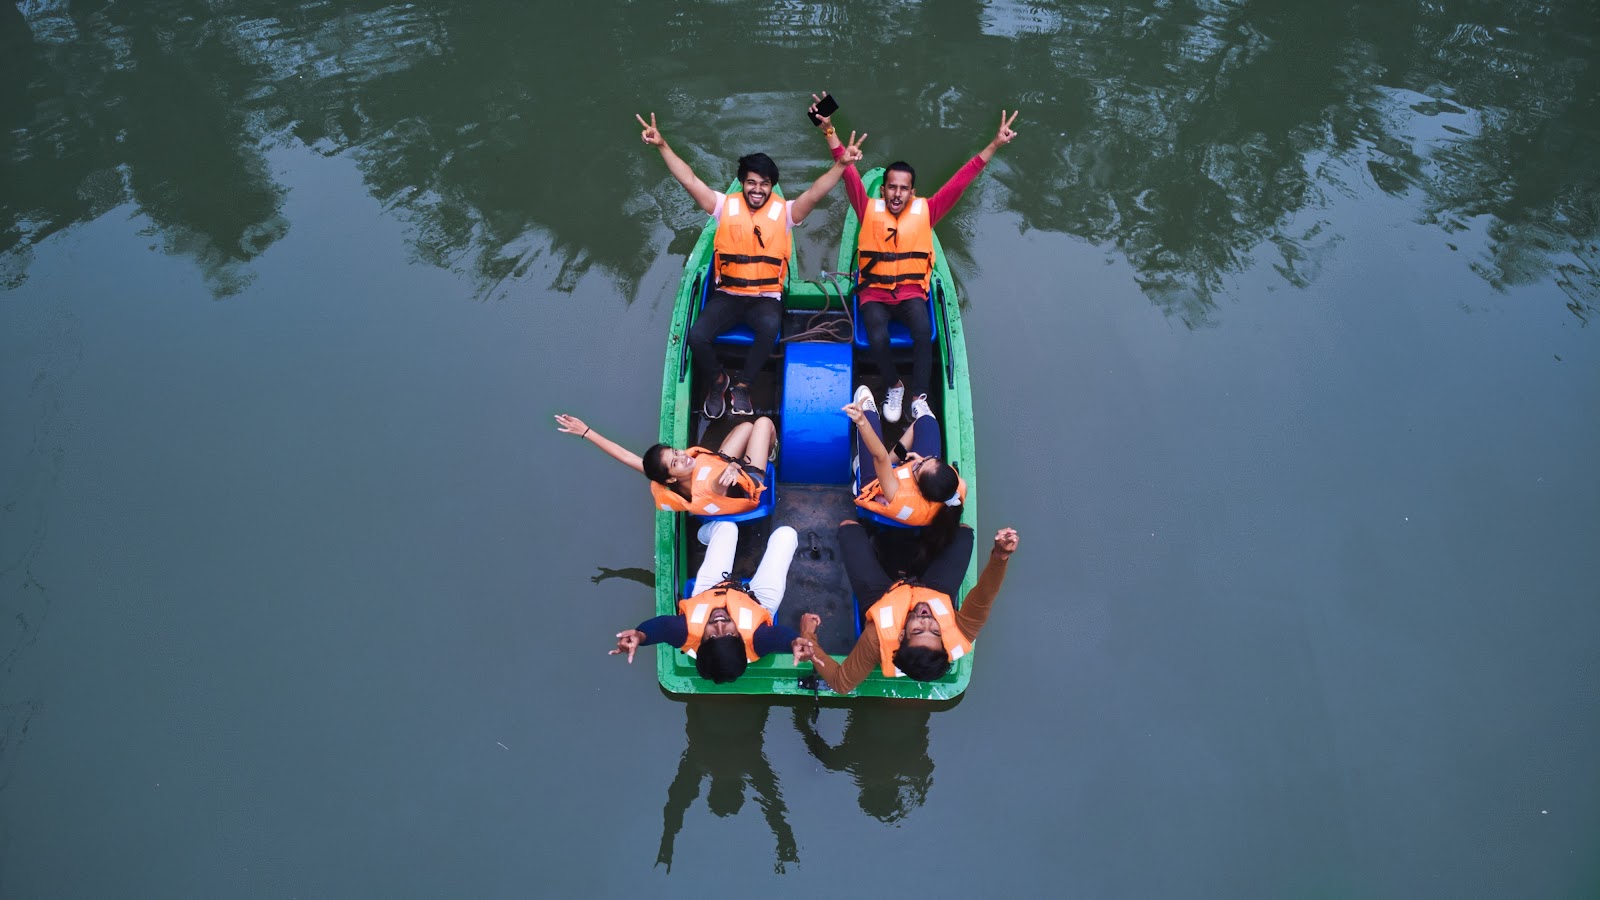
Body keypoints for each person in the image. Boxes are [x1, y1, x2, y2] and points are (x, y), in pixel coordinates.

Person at [635, 111, 866, 417]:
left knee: (770, 328)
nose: (757, 189)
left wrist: (841, 164)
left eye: (765, 184)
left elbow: (815, 192)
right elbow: (689, 179)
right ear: (742, 184)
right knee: (696, 336)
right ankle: (718, 380)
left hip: (765, 299)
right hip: (727, 295)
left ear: (772, 187)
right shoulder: (722, 206)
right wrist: (663, 145)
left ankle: (743, 386)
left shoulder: (785, 214)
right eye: (751, 182)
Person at [811, 97, 1019, 422]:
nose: (896, 194)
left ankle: (919, 397)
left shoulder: (928, 211)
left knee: (923, 332)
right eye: (891, 188)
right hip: (874, 293)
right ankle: (893, 385)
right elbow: (849, 174)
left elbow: (961, 181)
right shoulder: (867, 210)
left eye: (903, 189)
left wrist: (994, 144)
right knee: (877, 336)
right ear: (882, 191)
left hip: (910, 292)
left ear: (912, 192)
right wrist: (829, 131)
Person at [797, 526, 1019, 694]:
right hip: (934, 591)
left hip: (882, 597)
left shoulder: (876, 640)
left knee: (848, 530)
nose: (926, 620)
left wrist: (809, 638)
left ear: (901, 635)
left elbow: (840, 683)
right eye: (935, 631)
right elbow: (984, 597)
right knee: (963, 534)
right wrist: (1000, 557)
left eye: (917, 631)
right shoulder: (961, 633)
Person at [611, 520, 812, 684]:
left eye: (713, 636)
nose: (719, 623)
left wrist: (640, 635)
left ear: (701, 642)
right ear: (741, 639)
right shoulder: (757, 640)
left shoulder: (685, 631)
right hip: (758, 600)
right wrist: (793, 642)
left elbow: (661, 627)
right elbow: (779, 637)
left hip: (711, 589)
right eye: (730, 633)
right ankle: (708, 536)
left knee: (726, 527)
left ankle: (701, 535)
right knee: (786, 534)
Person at [554, 412, 775, 517]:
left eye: (676, 452)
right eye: (676, 462)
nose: (684, 457)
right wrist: (731, 469)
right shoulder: (708, 488)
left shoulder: (670, 480)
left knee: (746, 426)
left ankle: (751, 452)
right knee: (763, 424)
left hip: (721, 469)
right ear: (671, 477)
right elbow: (717, 486)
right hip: (743, 487)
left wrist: (586, 431)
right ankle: (770, 452)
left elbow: (626, 456)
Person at [845, 386, 965, 532]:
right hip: (908, 489)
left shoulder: (896, 494)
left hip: (879, 489)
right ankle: (900, 462)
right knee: (926, 422)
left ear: (919, 489)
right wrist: (919, 465)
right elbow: (923, 466)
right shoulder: (953, 490)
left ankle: (860, 472)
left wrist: (862, 421)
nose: (919, 459)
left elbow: (880, 456)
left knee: (869, 417)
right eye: (927, 460)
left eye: (919, 466)